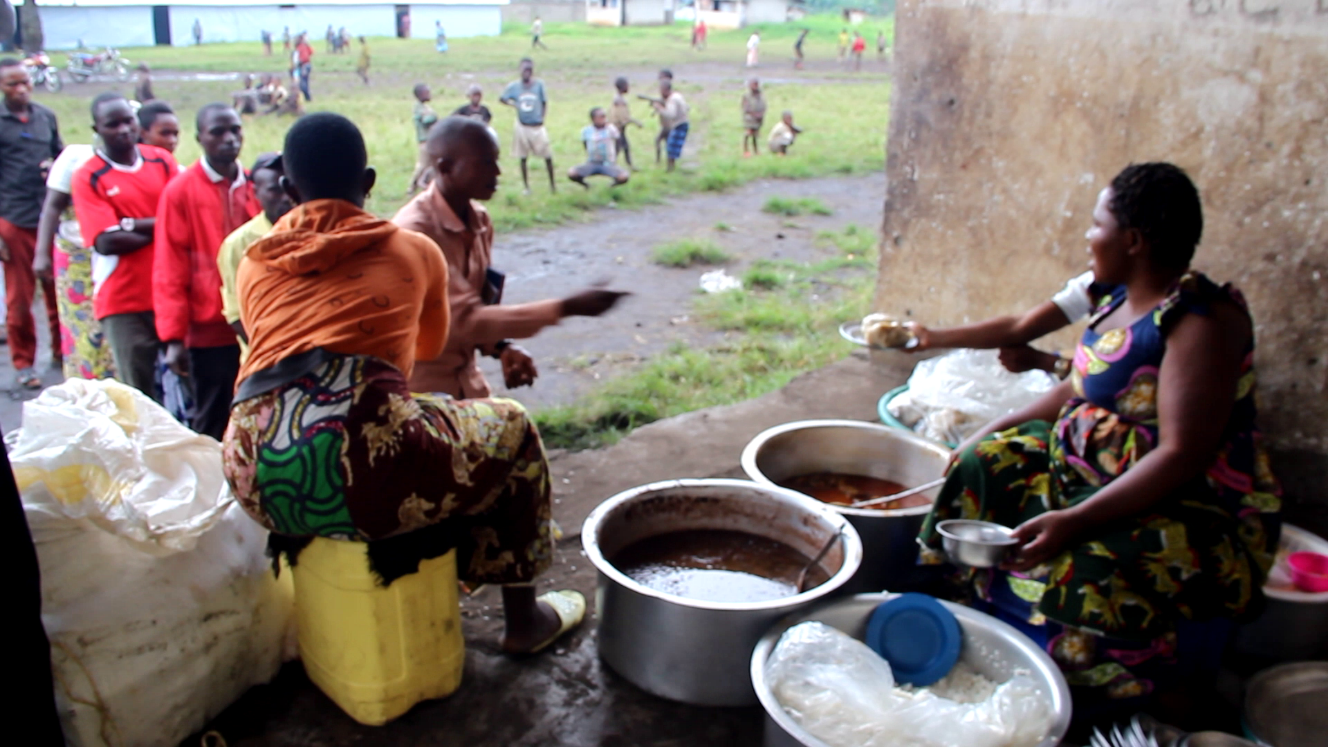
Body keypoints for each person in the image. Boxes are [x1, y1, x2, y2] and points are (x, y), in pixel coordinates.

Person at [917, 163, 1281, 704]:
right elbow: (1081, 388)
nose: (1088, 236)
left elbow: (1184, 453)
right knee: (980, 466)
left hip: (1173, 499)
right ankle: (951, 611)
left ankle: (1077, 689)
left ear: (1132, 240)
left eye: (1096, 224)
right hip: (1079, 467)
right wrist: (994, 428)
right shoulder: (1110, 293)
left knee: (1082, 571)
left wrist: (1075, 520)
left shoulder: (1199, 322)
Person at [227, 112, 587, 655]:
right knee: (510, 427)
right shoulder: (415, 250)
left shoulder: (255, 263)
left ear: (289, 189)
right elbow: (424, 348)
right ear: (368, 182)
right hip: (363, 477)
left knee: (370, 432)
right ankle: (523, 621)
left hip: (252, 475)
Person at [394, 115, 628, 399]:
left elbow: (479, 301)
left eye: (496, 160)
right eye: (485, 163)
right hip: (419, 394)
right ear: (445, 168)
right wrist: (566, 307)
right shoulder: (415, 233)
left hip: (467, 382)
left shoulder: (479, 220)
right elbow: (466, 321)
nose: (498, 172)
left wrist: (501, 347)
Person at [153, 104, 258, 440]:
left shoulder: (258, 186)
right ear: (199, 138)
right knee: (213, 415)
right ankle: (213, 488)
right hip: (208, 328)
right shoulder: (180, 191)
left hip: (256, 323)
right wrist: (173, 336)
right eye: (218, 132)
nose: (229, 139)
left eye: (235, 130)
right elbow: (170, 265)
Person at [70, 93, 178, 399]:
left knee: (187, 387)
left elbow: (183, 218)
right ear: (97, 129)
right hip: (124, 299)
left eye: (127, 121)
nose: (122, 130)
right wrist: (162, 226)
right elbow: (106, 241)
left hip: (170, 291)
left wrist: (131, 224)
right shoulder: (89, 176)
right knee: (139, 393)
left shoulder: (161, 160)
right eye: (112, 124)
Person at [0, 57, 62, 389]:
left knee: (58, 292)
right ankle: (24, 363)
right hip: (13, 219)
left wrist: (52, 165)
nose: (21, 89)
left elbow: (61, 157)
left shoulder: (45, 117)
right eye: (13, 84)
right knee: (20, 299)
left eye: (25, 81)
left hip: (46, 218)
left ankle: (60, 352)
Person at [908, 271, 1098, 377]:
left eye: (1099, 225)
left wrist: (1048, 363)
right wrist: (929, 337)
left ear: (1128, 239)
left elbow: (1113, 381)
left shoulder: (1123, 310)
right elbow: (1019, 327)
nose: (1089, 235)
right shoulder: (1096, 285)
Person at [34, 138, 113, 381]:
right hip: (76, 255)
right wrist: (41, 254)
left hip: (113, 254)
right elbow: (52, 206)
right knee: (82, 329)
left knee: (111, 331)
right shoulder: (75, 158)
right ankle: (84, 391)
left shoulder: (135, 160)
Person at [216, 151, 291, 363]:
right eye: (275, 190)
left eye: (289, 187)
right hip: (266, 364)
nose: (286, 196)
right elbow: (236, 315)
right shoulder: (238, 244)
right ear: (256, 192)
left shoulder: (318, 231)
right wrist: (276, 355)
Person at [500, 58, 556, 194]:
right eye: (525, 70)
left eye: (529, 70)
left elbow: (544, 102)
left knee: (547, 155)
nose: (527, 73)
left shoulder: (539, 85)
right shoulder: (514, 87)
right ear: (520, 70)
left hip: (537, 125)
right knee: (523, 157)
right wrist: (513, 104)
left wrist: (542, 117)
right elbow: (502, 98)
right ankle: (527, 187)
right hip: (522, 125)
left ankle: (553, 186)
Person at [568, 107, 629, 189]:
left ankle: (610, 187)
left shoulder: (611, 129)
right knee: (572, 173)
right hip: (592, 162)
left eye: (604, 116)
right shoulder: (586, 131)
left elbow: (618, 142)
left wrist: (614, 156)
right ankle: (587, 186)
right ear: (593, 119)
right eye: (601, 117)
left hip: (608, 163)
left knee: (624, 176)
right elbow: (585, 144)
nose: (604, 119)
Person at [650, 69, 688, 172]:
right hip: (682, 123)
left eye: (661, 90)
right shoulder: (677, 96)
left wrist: (659, 108)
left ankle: (670, 169)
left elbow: (671, 114)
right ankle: (670, 168)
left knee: (671, 148)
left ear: (665, 90)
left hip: (678, 124)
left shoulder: (672, 100)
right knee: (671, 146)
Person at [408, 83, 439, 194]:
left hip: (430, 139)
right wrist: (434, 117)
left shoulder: (425, 107)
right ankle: (412, 187)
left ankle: (427, 186)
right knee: (422, 165)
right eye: (427, 92)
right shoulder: (418, 108)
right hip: (424, 140)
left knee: (431, 165)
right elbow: (426, 120)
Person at [609, 76, 642, 171]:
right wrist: (636, 122)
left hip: (618, 127)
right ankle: (612, 167)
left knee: (622, 147)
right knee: (619, 148)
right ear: (623, 87)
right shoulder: (619, 101)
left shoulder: (617, 98)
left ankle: (628, 165)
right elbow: (623, 118)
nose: (629, 88)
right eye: (627, 86)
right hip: (618, 128)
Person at [740, 77, 766, 157]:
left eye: (756, 84)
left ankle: (756, 150)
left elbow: (764, 105)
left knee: (755, 135)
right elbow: (746, 108)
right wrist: (754, 114)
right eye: (753, 85)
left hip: (758, 118)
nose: (755, 86)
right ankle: (746, 150)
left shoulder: (760, 95)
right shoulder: (747, 96)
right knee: (748, 134)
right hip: (749, 118)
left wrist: (761, 114)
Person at [295, 33, 314, 102]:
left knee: (303, 83)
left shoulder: (301, 47)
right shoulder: (302, 46)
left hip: (304, 65)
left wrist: (300, 61)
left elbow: (306, 55)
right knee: (304, 81)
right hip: (306, 65)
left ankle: (307, 97)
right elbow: (311, 52)